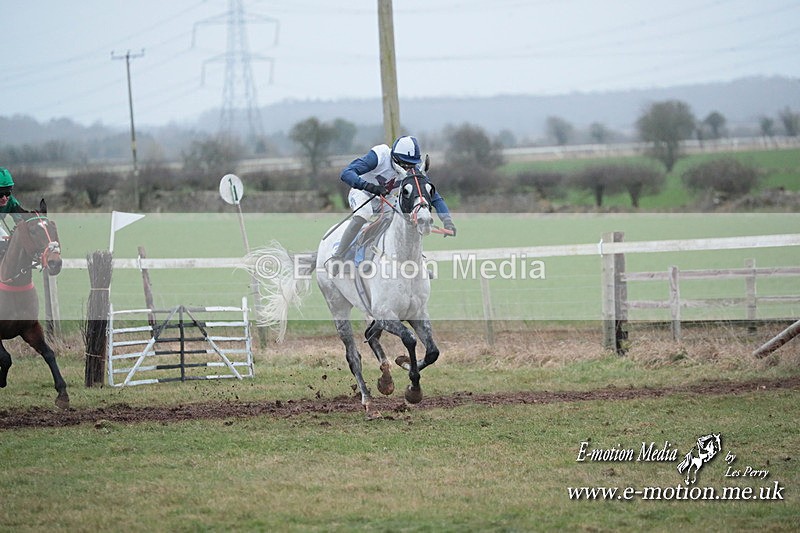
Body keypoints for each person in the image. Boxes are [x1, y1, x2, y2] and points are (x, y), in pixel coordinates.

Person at [330, 136, 456, 267]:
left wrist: (447, 220)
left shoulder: (414, 170)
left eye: (412, 164)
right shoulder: (379, 156)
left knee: (401, 220)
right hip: (362, 192)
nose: (408, 169)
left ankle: (415, 261)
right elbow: (346, 173)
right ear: (395, 158)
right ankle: (338, 256)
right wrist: (369, 187)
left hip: (385, 197)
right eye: (405, 164)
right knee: (364, 213)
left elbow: (434, 196)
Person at [0, 167, 28, 249]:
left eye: (7, 193)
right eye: (0, 194)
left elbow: (22, 220)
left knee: (7, 246)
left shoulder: (11, 202)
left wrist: (15, 234)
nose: (4, 198)